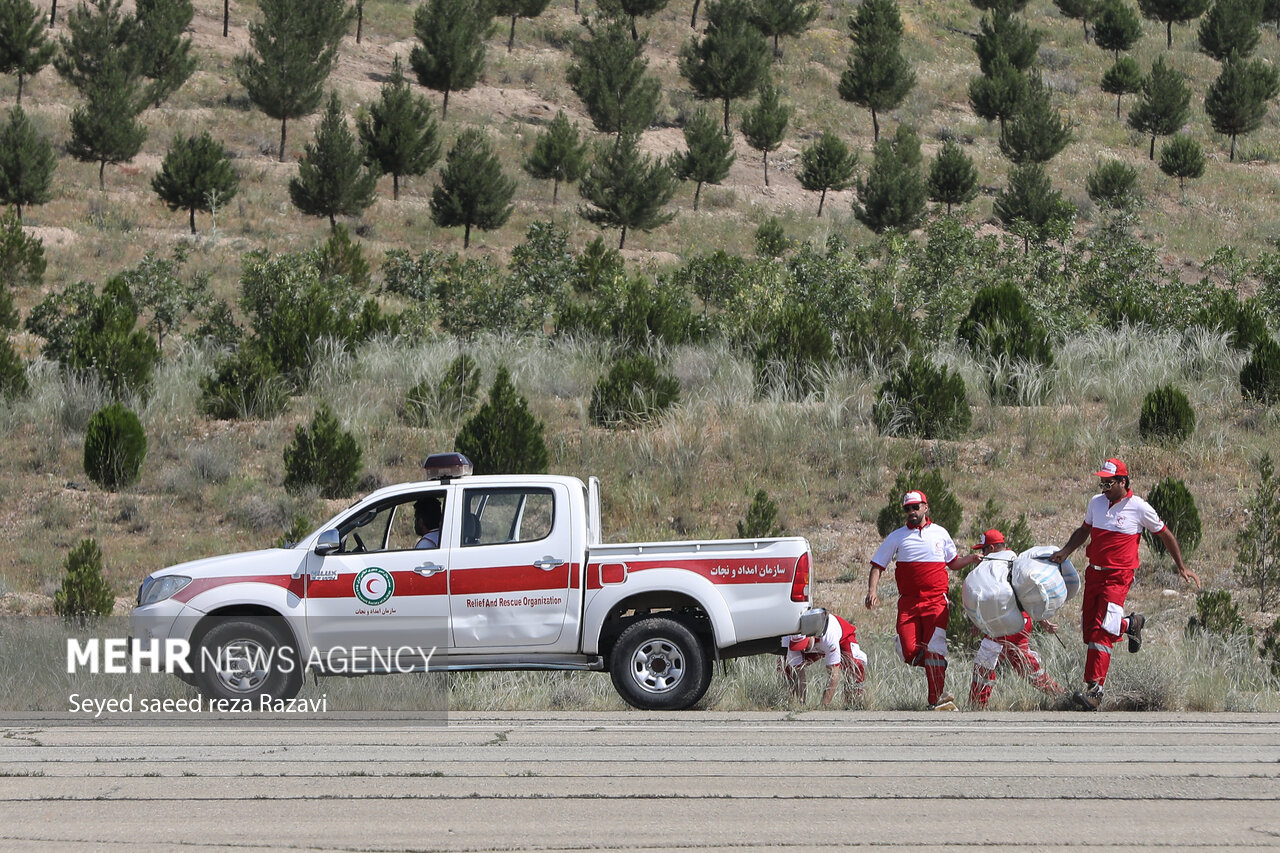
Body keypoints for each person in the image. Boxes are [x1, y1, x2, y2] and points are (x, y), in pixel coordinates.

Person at [1049, 458, 1202, 711]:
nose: (1104, 487)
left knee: (1102, 631)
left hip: (1118, 577)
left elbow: (1165, 534)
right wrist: (1065, 551)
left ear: (1123, 482)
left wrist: (1181, 567)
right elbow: (1084, 530)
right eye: (1101, 482)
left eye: (1108, 483)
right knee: (1090, 630)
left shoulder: (1139, 507)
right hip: (1094, 573)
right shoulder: (1096, 503)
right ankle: (1131, 624)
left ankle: (1095, 691)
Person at [865, 490, 967, 711]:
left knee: (934, 648)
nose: (911, 511)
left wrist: (971, 559)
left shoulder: (940, 533)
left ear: (925, 508)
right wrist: (872, 591)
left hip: (936, 601)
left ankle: (935, 700)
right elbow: (877, 565)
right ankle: (937, 665)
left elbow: (953, 563)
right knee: (908, 651)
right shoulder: (897, 536)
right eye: (907, 508)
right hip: (909, 602)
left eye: (915, 507)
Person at [953, 529, 1064, 709]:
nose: (982, 554)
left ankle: (977, 705)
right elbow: (1029, 596)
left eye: (983, 549)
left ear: (991, 548)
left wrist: (981, 623)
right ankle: (1060, 695)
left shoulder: (995, 567)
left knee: (985, 662)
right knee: (1025, 666)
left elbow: (993, 600)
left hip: (1003, 622)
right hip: (1021, 621)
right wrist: (1043, 621)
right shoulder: (1016, 562)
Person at [780, 611, 868, 707]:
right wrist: (802, 703)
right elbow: (798, 674)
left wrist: (823, 706)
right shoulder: (790, 640)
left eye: (805, 645)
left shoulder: (829, 637)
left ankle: (855, 702)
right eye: (799, 646)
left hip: (842, 638)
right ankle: (787, 702)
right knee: (786, 666)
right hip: (816, 644)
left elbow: (833, 675)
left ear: (812, 635)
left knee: (855, 665)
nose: (803, 649)